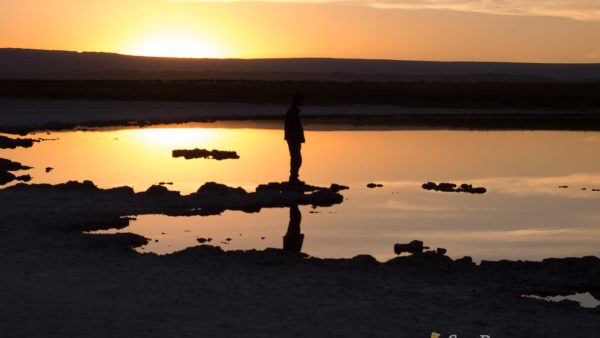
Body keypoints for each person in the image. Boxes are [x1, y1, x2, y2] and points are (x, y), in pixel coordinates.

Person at [284, 91, 305, 185]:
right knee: (296, 158)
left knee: (296, 158)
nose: (302, 103)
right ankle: (293, 178)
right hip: (293, 139)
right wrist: (297, 137)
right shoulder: (292, 112)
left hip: (294, 138)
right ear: (297, 101)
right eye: (301, 101)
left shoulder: (293, 111)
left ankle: (294, 177)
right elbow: (292, 127)